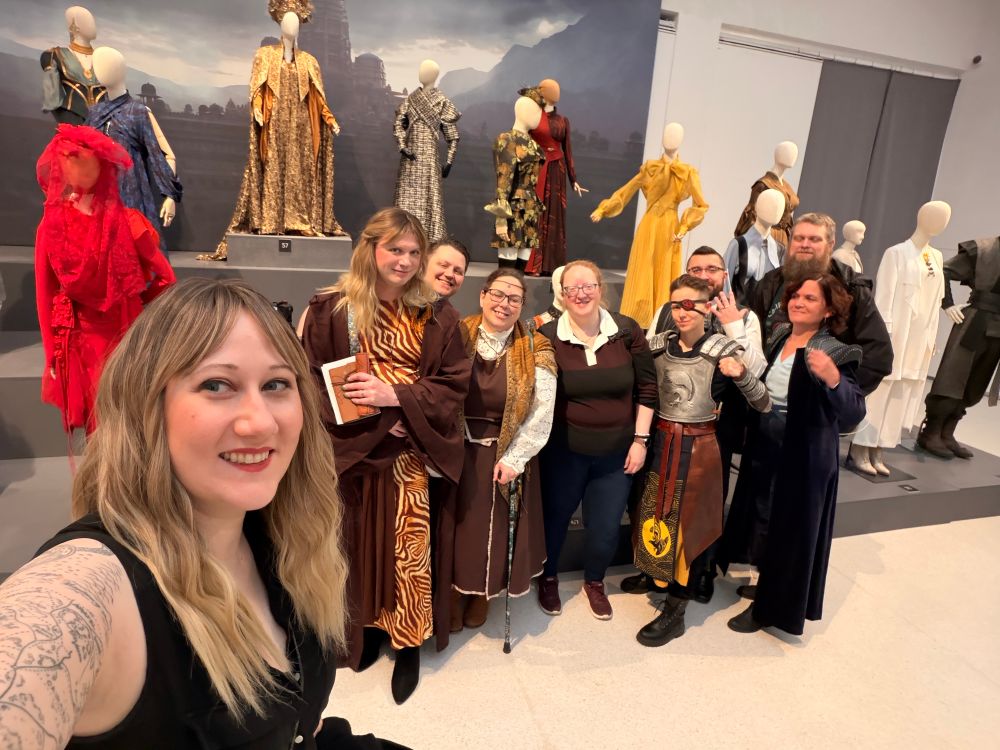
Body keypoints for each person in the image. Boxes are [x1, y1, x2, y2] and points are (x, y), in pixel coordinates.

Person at [0, 277, 407, 748]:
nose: (259, 421)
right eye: (217, 385)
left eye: (276, 384)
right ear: (147, 407)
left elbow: (302, 721)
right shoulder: (93, 583)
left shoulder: (280, 540)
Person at [300, 207, 470, 705]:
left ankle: (409, 641)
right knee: (359, 545)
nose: (405, 260)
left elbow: (453, 384)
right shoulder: (333, 307)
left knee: (407, 550)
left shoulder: (437, 314)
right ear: (370, 248)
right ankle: (369, 630)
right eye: (395, 249)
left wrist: (398, 398)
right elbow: (312, 379)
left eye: (414, 252)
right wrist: (373, 416)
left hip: (408, 454)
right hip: (353, 453)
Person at [723, 275, 866, 636]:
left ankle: (770, 608)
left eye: (810, 298)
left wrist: (833, 378)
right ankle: (767, 584)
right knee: (765, 517)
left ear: (828, 309)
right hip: (769, 444)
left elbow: (853, 412)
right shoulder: (780, 337)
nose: (799, 302)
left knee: (790, 529)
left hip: (804, 455)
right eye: (795, 296)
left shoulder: (834, 351)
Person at [632, 275, 771, 647]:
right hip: (659, 441)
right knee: (654, 511)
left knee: (690, 525)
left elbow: (763, 402)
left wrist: (741, 374)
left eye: (690, 304)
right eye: (676, 304)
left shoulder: (724, 349)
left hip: (700, 448)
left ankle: (677, 608)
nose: (682, 312)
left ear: (707, 307)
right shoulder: (657, 345)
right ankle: (656, 575)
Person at [34, 124, 175, 435]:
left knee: (109, 427)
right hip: (112, 335)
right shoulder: (128, 224)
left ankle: (108, 481)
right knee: (122, 425)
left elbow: (45, 295)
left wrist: (51, 355)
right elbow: (166, 277)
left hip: (91, 339)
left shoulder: (53, 227)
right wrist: (139, 300)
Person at [536, 259, 657, 620]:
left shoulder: (626, 330)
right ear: (561, 295)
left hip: (616, 454)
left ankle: (595, 582)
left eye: (588, 285)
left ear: (601, 289)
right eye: (572, 288)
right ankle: (549, 577)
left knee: (604, 527)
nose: (581, 293)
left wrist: (640, 440)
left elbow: (648, 388)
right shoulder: (548, 336)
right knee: (555, 519)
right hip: (564, 453)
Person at [450, 268, 556, 631]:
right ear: (482, 295)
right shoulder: (457, 333)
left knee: (487, 531)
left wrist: (515, 458)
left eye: (514, 298)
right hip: (454, 448)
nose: (503, 303)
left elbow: (543, 409)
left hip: (503, 453)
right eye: (497, 294)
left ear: (523, 305)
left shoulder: (534, 346)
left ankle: (480, 594)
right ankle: (450, 593)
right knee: (454, 526)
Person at [749, 212, 892, 396]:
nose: (805, 244)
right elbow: (750, 334)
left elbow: (879, 355)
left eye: (814, 239)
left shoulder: (851, 288)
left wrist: (838, 393)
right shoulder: (771, 282)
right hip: (763, 402)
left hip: (815, 413)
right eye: (799, 238)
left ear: (830, 245)